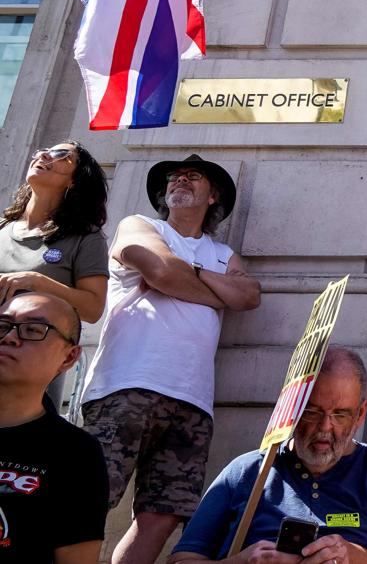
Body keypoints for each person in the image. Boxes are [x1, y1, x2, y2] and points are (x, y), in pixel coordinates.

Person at [81, 153, 261, 564]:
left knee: (162, 515)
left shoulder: (222, 251)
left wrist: (188, 272)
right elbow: (158, 269)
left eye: (192, 176)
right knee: (88, 498)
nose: (179, 181)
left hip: (193, 399)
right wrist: (216, 290)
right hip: (127, 385)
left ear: (213, 195)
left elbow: (249, 296)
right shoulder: (141, 225)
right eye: (174, 178)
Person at [169, 348, 367, 564]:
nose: (325, 427)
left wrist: (362, 559)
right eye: (313, 412)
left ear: (360, 415)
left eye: (340, 414)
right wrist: (237, 563)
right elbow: (181, 560)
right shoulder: (247, 471)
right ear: (292, 406)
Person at [0, 292, 109, 563]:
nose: (9, 337)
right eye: (2, 326)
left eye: (33, 330)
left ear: (69, 358)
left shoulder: (75, 453)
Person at [0, 140, 109, 323]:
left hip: (31, 346)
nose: (43, 156)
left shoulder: (86, 237)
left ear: (74, 180)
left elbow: (93, 310)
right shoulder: (2, 227)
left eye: (61, 155)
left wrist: (37, 282)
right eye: (43, 151)